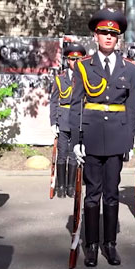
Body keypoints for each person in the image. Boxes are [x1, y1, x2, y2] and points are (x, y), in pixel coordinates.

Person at [69, 9, 135, 266]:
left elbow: (132, 108)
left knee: (112, 193)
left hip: (118, 135)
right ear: (95, 36)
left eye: (113, 33)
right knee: (92, 194)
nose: (108, 37)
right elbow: (76, 104)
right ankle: (91, 245)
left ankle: (110, 244)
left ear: (118, 37)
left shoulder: (130, 69)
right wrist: (76, 139)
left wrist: (130, 140)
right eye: (103, 33)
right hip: (92, 136)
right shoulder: (83, 67)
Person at [49, 42, 86, 199]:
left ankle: (71, 186)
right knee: (62, 153)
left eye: (78, 60)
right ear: (67, 60)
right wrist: (53, 121)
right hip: (63, 119)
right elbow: (54, 101)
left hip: (78, 120)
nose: (75, 63)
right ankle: (61, 186)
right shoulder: (60, 78)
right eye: (72, 59)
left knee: (73, 153)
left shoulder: (85, 78)